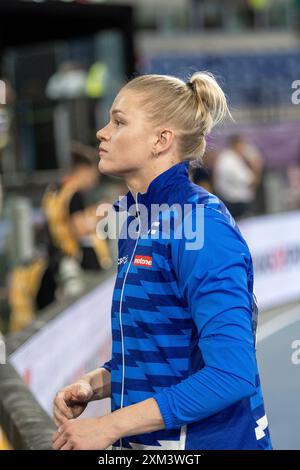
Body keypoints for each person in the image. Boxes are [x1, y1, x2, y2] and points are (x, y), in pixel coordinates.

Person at [52, 72, 272, 450]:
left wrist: (108, 426)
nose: (103, 133)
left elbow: (232, 372)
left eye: (119, 122)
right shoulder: (132, 218)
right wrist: (96, 383)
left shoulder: (202, 225)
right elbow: (160, 352)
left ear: (161, 139)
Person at [213, 134, 263, 219]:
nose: (245, 147)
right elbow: (251, 181)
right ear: (236, 145)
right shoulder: (229, 161)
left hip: (236, 201)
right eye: (243, 144)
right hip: (235, 204)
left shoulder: (232, 158)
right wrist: (256, 167)